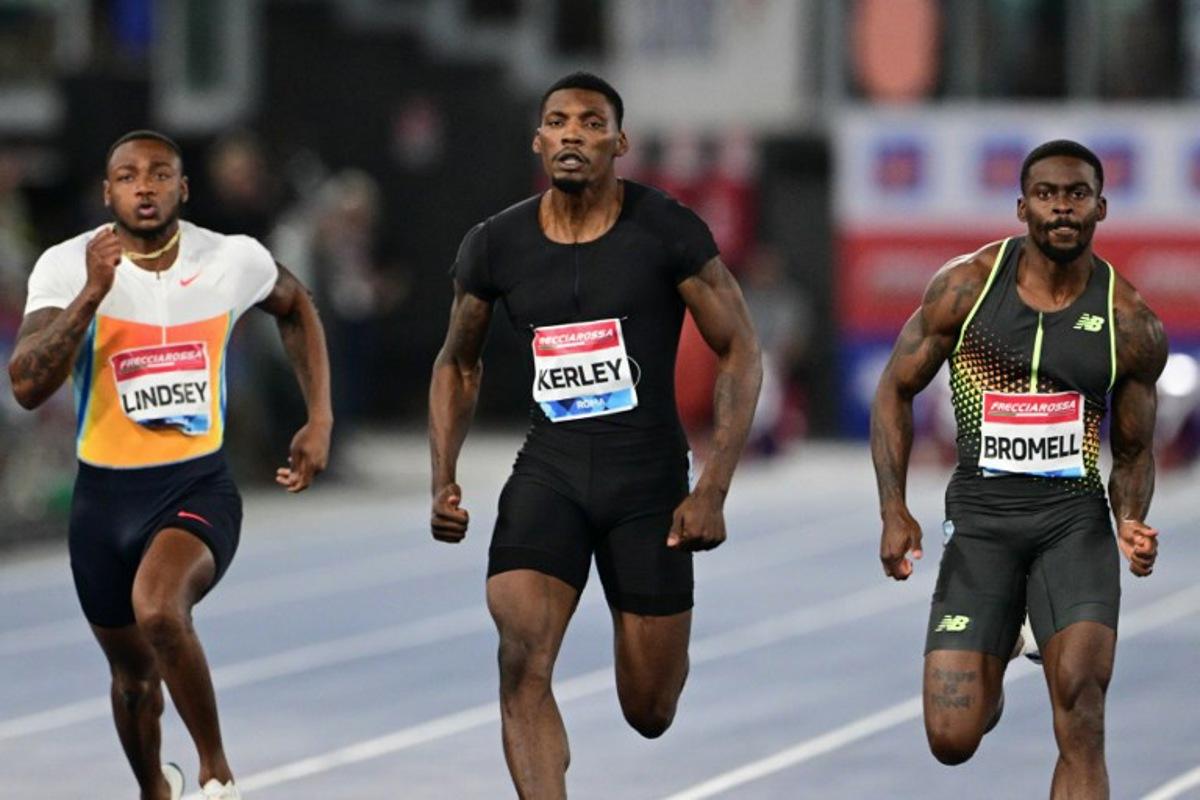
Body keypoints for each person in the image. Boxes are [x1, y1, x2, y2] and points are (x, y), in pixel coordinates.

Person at [428, 72, 761, 798]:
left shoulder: (666, 230)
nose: (573, 132)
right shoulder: (494, 245)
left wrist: (712, 487)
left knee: (649, 709)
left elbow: (740, 347)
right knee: (521, 659)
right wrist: (442, 476)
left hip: (647, 485)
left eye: (590, 121)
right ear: (539, 139)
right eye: (558, 120)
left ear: (620, 142)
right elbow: (457, 362)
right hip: (548, 472)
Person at [7, 130, 332, 800]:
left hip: (195, 485)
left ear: (183, 189)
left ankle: (216, 772)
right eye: (127, 176)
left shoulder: (231, 259)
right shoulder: (67, 267)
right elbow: (27, 384)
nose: (144, 187)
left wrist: (318, 416)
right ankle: (157, 788)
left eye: (159, 175)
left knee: (158, 608)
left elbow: (295, 305)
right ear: (108, 193)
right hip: (102, 502)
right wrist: (92, 295)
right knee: (133, 681)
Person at [870, 139, 1167, 797]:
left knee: (1082, 717)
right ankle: (999, 650)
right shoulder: (966, 289)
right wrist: (894, 509)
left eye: (1077, 195)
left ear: (1101, 208)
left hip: (1073, 528)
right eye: (1047, 195)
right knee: (951, 738)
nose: (1062, 208)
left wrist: (1131, 520)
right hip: (982, 524)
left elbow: (1136, 452)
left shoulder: (1129, 322)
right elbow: (894, 389)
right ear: (1021, 206)